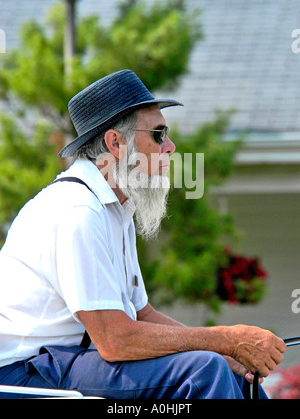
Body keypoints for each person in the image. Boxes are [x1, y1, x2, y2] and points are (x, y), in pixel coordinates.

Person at [0, 69, 286, 399]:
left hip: (66, 362)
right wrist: (226, 339)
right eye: (159, 135)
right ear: (115, 143)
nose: (171, 147)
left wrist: (229, 352)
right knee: (206, 369)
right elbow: (115, 340)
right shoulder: (77, 211)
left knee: (230, 369)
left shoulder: (113, 208)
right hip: (23, 374)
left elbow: (141, 314)